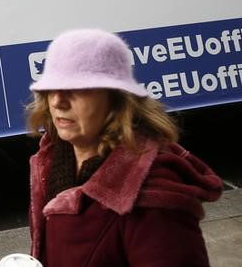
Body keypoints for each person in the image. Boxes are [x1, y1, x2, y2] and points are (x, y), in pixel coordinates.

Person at [26, 29, 222, 267]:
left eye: (76, 89)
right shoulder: (52, 160)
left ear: (117, 99)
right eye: (50, 89)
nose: (57, 102)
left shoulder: (154, 196)